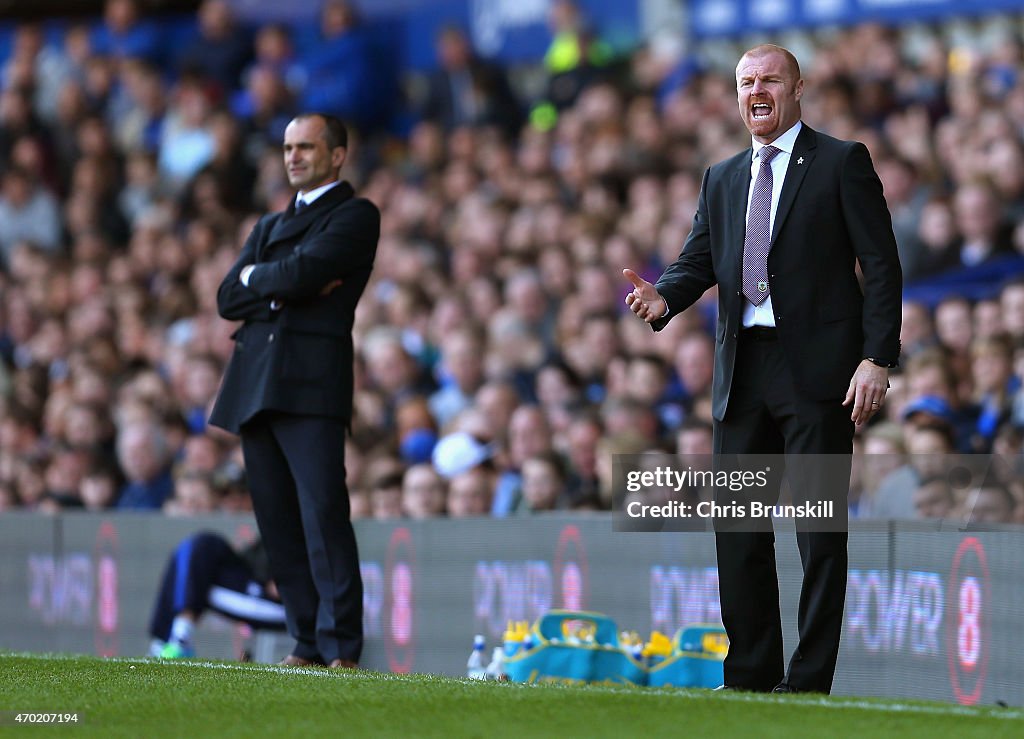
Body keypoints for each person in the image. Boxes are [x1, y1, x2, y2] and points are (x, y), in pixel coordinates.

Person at [623, 44, 902, 694]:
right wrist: (666, 296)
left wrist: (876, 356)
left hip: (819, 375)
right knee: (740, 531)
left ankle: (807, 682)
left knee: (817, 533)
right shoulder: (722, 176)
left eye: (769, 78)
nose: (757, 90)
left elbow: (882, 266)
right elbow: (699, 258)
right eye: (747, 81)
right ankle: (750, 675)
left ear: (797, 87)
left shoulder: (841, 161)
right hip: (743, 371)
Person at [209, 112, 380, 669]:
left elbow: (307, 271)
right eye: (287, 147)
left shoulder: (355, 215)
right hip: (256, 381)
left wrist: (265, 278)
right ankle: (305, 643)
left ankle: (340, 648)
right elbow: (226, 298)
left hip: (310, 382)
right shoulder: (265, 225)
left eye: (306, 146)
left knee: (323, 513)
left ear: (337, 155)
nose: (293, 157)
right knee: (278, 522)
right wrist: (277, 283)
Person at [149, 532, 285, 659]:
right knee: (203, 544)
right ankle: (170, 640)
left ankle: (178, 640)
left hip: (287, 604)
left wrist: (284, 578)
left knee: (197, 578)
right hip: (256, 579)